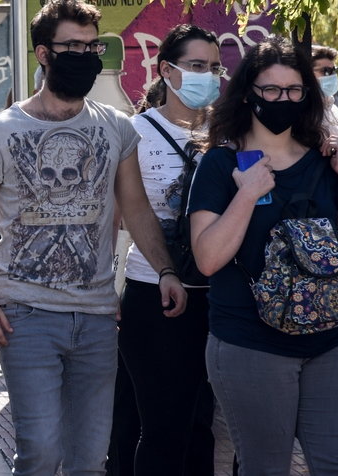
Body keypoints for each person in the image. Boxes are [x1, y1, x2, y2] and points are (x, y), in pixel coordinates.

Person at [0, 0, 187, 476]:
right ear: (44, 54)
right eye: (73, 46)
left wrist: (165, 268)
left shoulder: (116, 128)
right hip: (25, 315)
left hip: (99, 317)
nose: (85, 56)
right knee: (39, 453)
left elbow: (137, 209)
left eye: (92, 46)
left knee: (89, 461)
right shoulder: (1, 131)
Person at [188, 35, 338, 475]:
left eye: (293, 91)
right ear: (249, 92)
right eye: (271, 90)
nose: (282, 99)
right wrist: (246, 194)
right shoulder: (219, 165)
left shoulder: (326, 161)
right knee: (266, 467)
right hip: (250, 342)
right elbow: (207, 259)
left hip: (330, 341)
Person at [114, 25, 224, 476]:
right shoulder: (132, 133)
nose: (208, 76)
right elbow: (115, 219)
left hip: (220, 297)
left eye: (215, 67)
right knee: (162, 430)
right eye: (197, 67)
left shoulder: (231, 133)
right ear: (167, 72)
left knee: (203, 428)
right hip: (155, 296)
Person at [311, 45, 338, 137]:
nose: (333, 75)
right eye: (326, 71)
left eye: (335, 70)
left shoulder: (332, 108)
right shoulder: (305, 111)